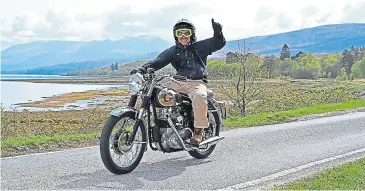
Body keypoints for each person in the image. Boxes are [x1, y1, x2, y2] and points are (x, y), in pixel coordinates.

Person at [131, 18, 226, 146]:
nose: (183, 36)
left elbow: (218, 43)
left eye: (186, 33)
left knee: (199, 96)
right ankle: (163, 121)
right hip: (177, 81)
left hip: (196, 82)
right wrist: (142, 69)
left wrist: (218, 32)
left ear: (192, 34)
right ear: (175, 35)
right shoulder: (173, 50)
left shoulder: (200, 47)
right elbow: (159, 61)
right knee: (157, 91)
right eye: (179, 33)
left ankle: (198, 132)